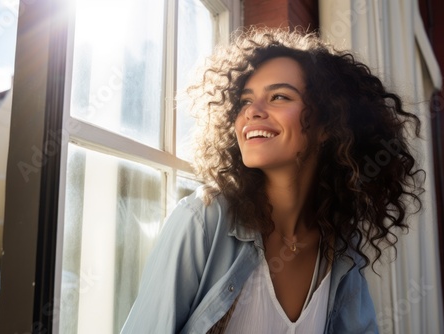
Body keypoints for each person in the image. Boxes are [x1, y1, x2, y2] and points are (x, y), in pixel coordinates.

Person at [121, 27, 423, 334]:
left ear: (328, 124)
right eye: (244, 101)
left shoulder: (340, 246)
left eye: (279, 96)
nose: (252, 112)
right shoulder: (203, 220)